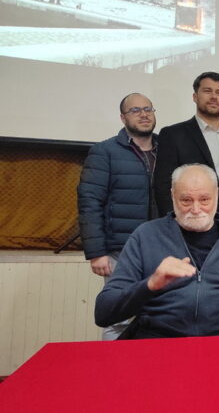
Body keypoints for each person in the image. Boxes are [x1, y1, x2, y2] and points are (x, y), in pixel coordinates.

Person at [95, 164, 219, 338]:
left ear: (217, 195)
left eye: (205, 200)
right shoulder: (146, 235)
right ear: (172, 195)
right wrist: (150, 285)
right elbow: (103, 311)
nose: (196, 209)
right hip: (160, 342)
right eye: (186, 200)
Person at [78, 92, 158, 340]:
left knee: (160, 317)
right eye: (135, 110)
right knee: (119, 319)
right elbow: (90, 202)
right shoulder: (105, 151)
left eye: (148, 109)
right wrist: (96, 252)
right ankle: (115, 365)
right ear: (123, 118)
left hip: (161, 248)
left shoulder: (168, 149)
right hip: (120, 251)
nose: (143, 114)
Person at [153, 71, 219, 216]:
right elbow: (163, 185)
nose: (214, 96)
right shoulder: (173, 134)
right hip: (191, 219)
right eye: (207, 91)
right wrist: (173, 222)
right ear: (195, 97)